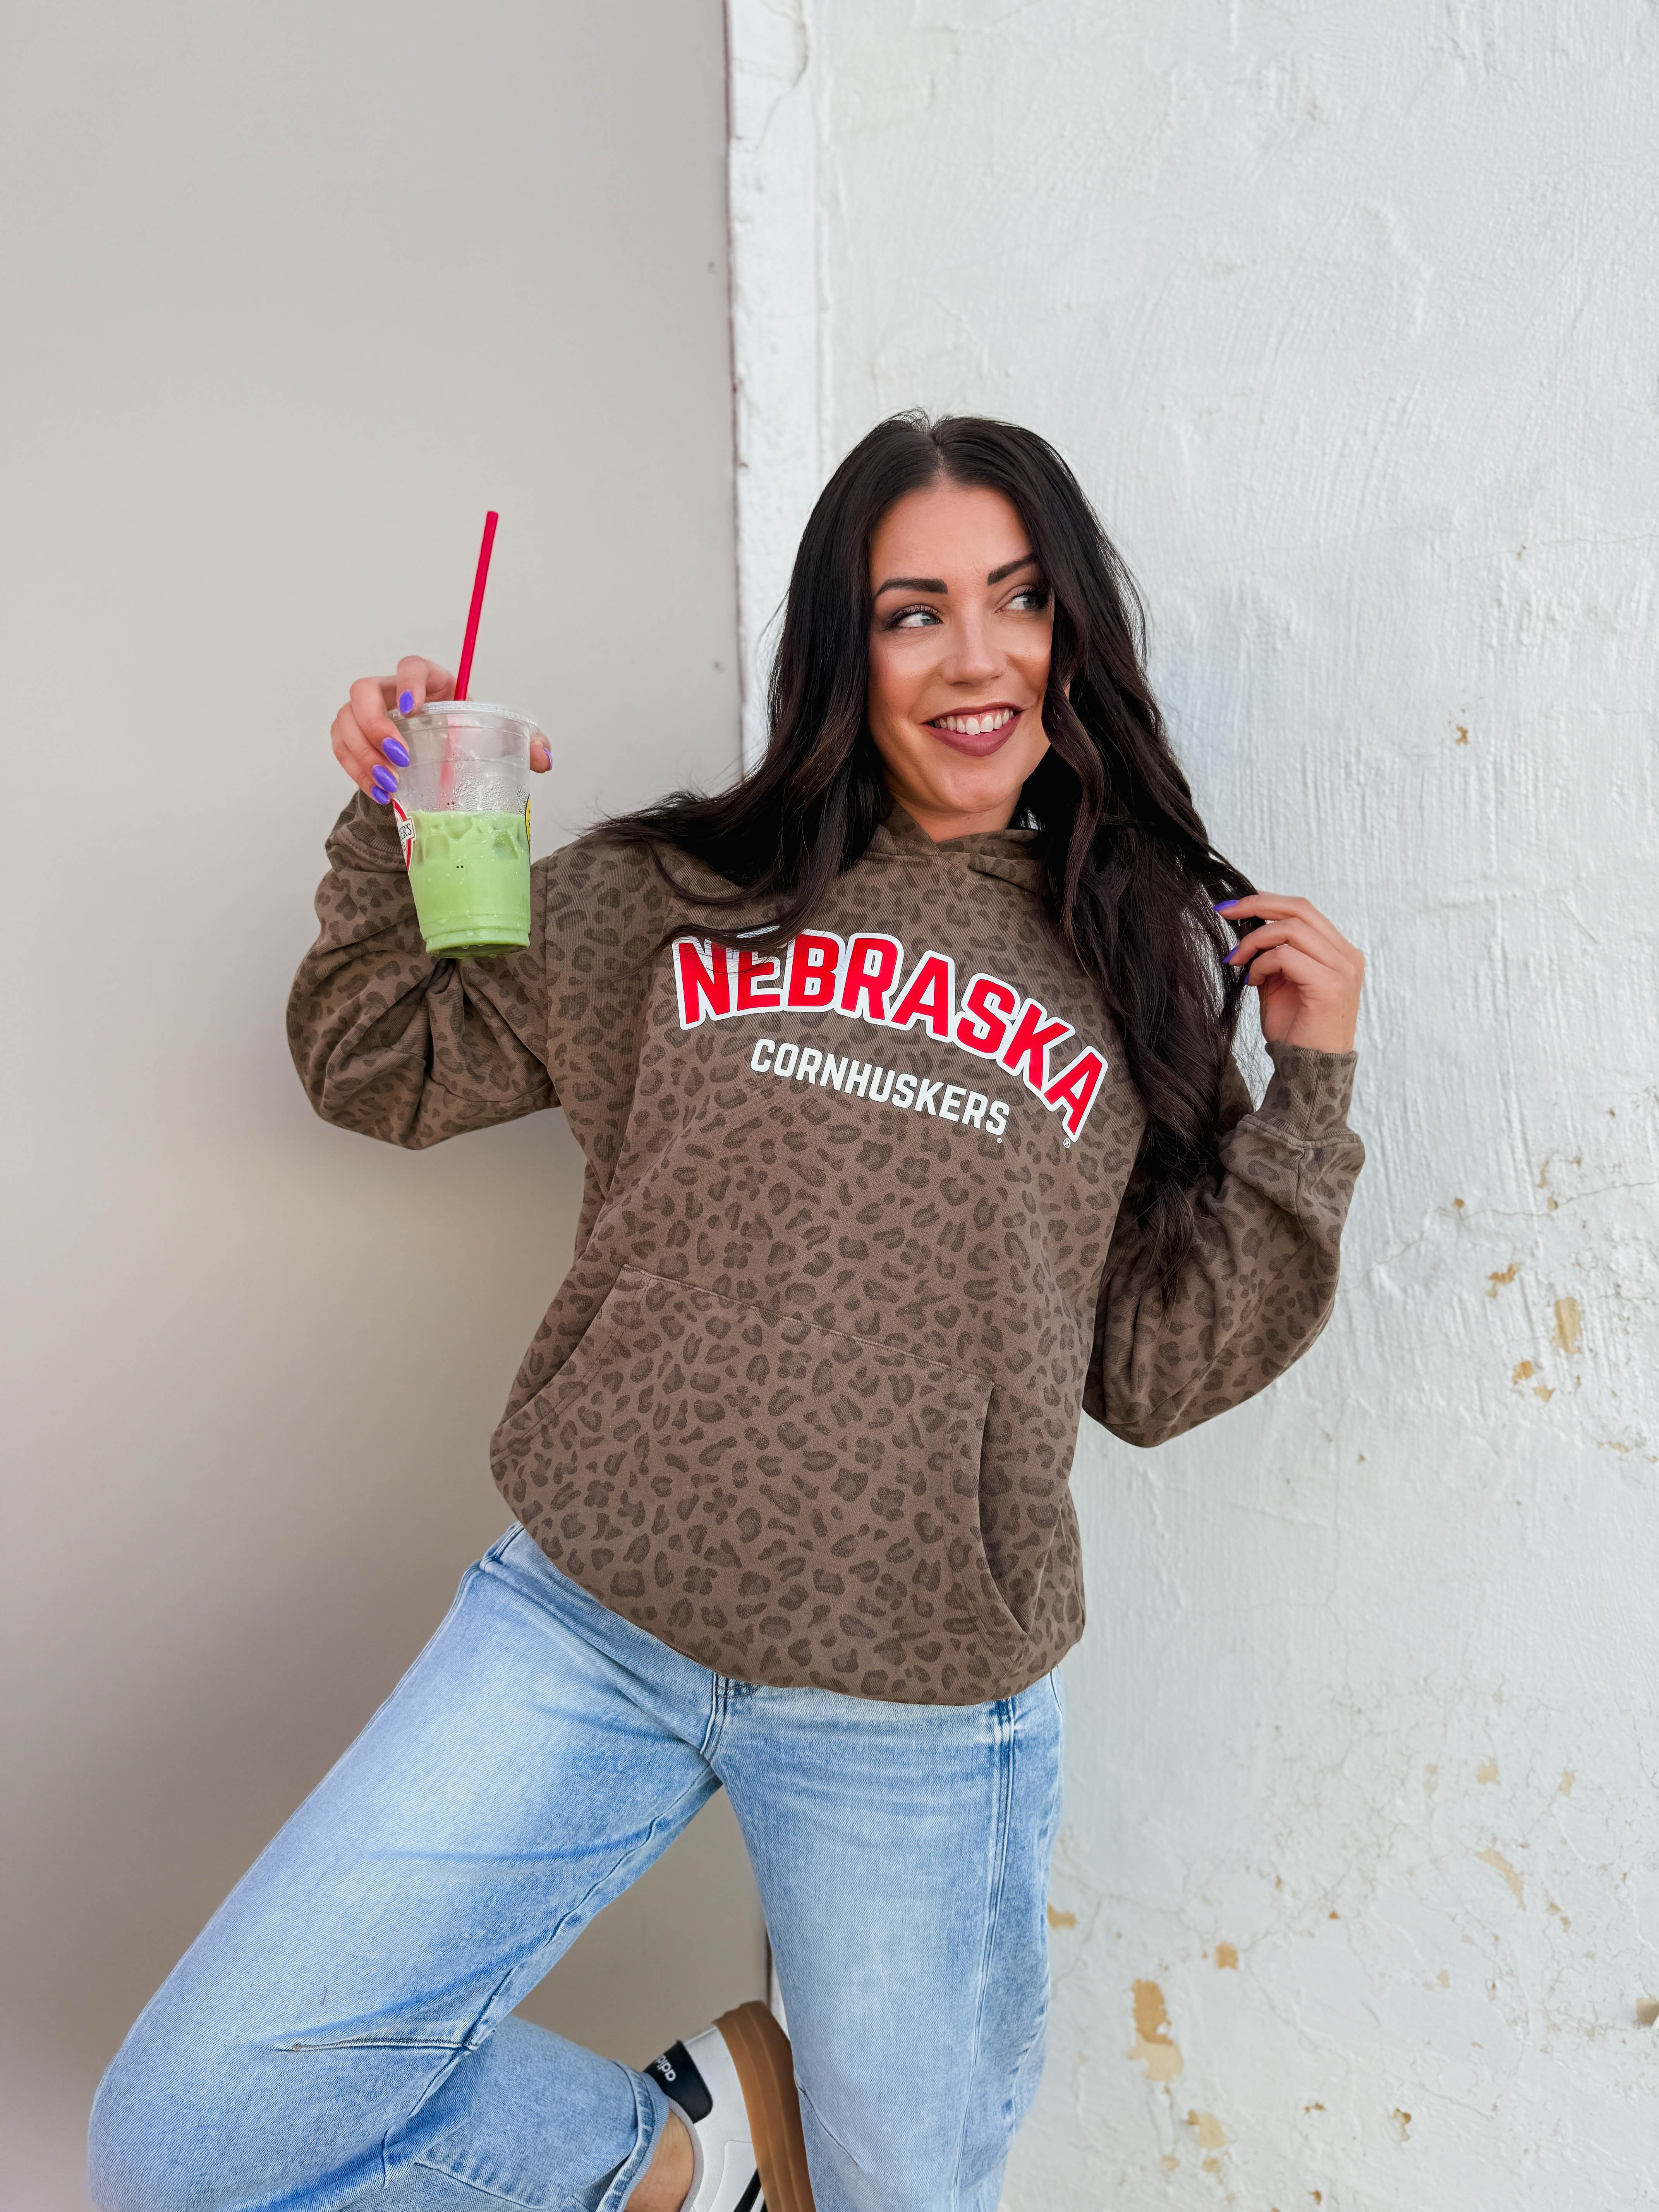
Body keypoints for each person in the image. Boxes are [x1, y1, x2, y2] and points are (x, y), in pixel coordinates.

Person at [88, 413, 1365, 2212]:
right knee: (189, 2130)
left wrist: (1310, 1097)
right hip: (588, 1627)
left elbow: (1154, 1370)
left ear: (1076, 634)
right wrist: (396, 824)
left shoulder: (1142, 956)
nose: (976, 657)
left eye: (1019, 601)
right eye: (914, 613)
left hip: (914, 1698)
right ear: (848, 651)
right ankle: (682, 2156)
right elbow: (385, 1065)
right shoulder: (673, 891)